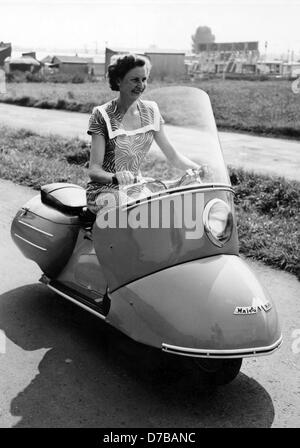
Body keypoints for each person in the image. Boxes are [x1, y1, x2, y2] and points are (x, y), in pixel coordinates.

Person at [86, 53, 200, 214]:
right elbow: (94, 170)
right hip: (104, 192)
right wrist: (115, 176)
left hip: (135, 189)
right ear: (119, 80)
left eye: (144, 79)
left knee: (170, 211)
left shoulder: (151, 111)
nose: (140, 85)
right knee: (142, 215)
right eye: (134, 80)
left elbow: (173, 156)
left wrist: (199, 169)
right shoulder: (102, 114)